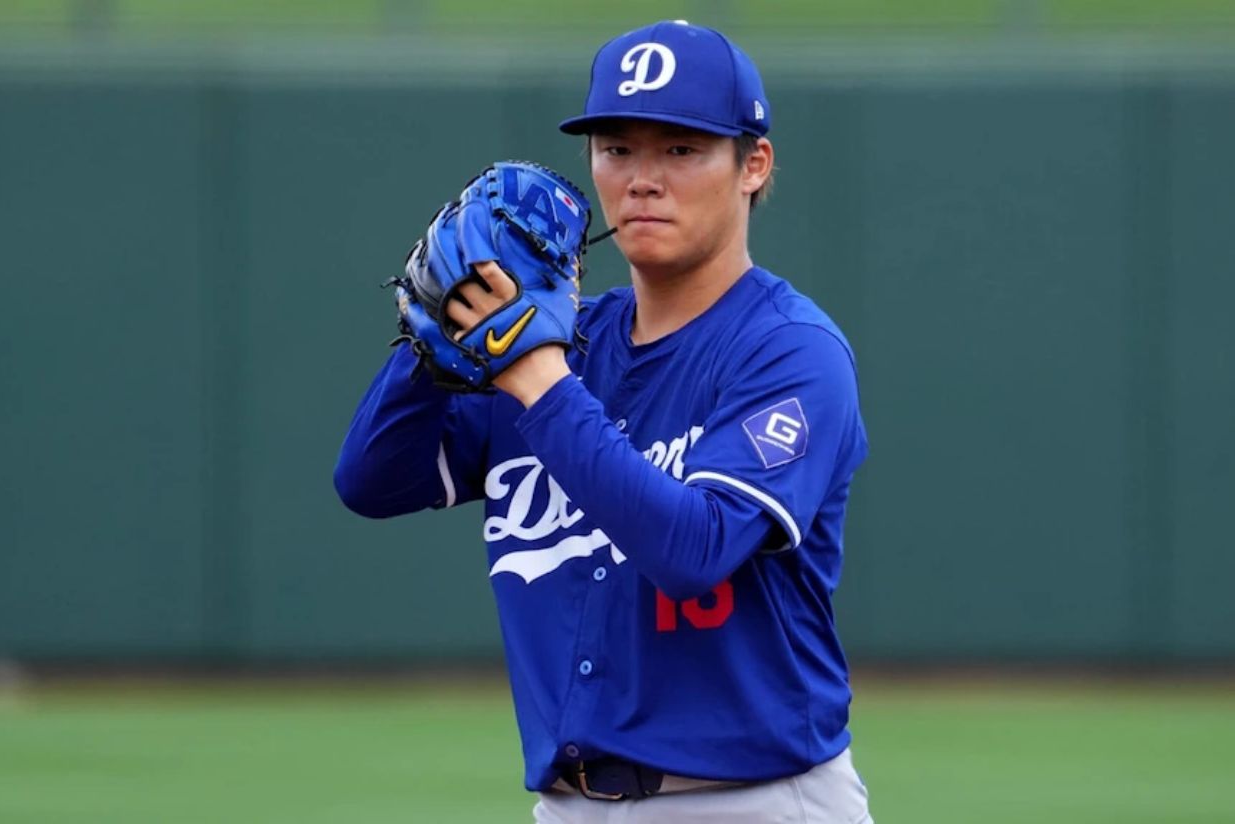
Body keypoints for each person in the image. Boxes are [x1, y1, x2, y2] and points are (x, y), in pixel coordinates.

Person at [335, 19, 873, 824]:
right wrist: (433, 339)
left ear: (752, 165)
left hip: (754, 802)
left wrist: (535, 377)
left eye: (681, 150)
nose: (641, 179)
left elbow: (693, 551)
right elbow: (372, 481)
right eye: (616, 149)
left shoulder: (789, 351)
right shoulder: (557, 347)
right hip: (569, 807)